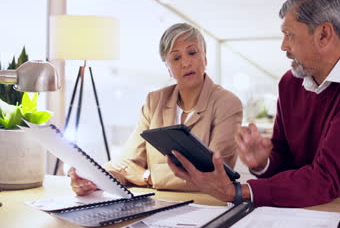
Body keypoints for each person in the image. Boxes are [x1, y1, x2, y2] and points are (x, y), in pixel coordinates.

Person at [167, 0, 340, 207]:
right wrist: (263, 162)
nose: (283, 46)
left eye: (289, 35)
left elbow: (327, 178)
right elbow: (286, 163)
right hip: (303, 207)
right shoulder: (290, 83)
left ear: (324, 34)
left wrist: (238, 191)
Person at [70, 23, 243, 196]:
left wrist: (148, 176)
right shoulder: (155, 101)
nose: (186, 62)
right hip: (158, 203)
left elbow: (216, 173)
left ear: (204, 57)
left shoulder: (227, 104)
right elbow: (128, 161)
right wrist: (94, 178)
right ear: (168, 68)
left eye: (192, 53)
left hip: (207, 205)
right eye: (176, 58)